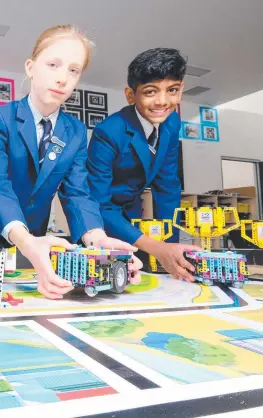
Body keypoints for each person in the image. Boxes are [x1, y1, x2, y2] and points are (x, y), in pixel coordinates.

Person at [0, 25, 142, 299]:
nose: (62, 78)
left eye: (73, 70)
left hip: (40, 248)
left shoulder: (75, 132)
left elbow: (77, 193)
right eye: (53, 64)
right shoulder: (0, 118)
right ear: (30, 67)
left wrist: (97, 239)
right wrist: (25, 241)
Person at [87, 48, 200, 281]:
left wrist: (170, 250)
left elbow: (167, 186)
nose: (163, 101)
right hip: (102, 218)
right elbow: (98, 203)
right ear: (131, 95)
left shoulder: (172, 122)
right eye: (150, 92)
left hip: (133, 211)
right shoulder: (107, 132)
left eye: (172, 90)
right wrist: (157, 249)